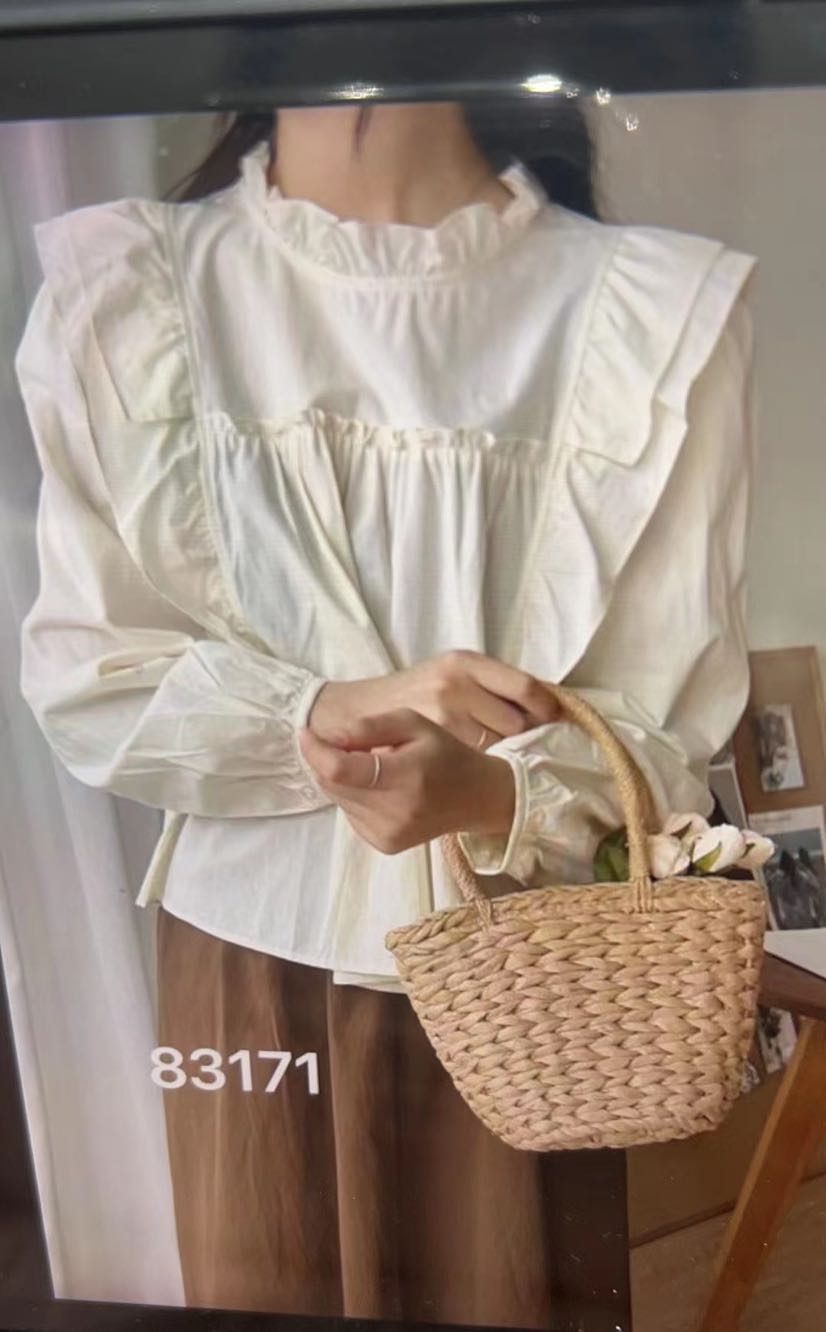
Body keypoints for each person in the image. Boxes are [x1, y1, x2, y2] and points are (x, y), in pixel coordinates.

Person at [15, 100, 756, 1327]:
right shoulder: (130, 287)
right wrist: (319, 712)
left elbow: (668, 739)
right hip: (249, 959)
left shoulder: (655, 311)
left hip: (538, 973)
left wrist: (500, 794)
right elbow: (86, 673)